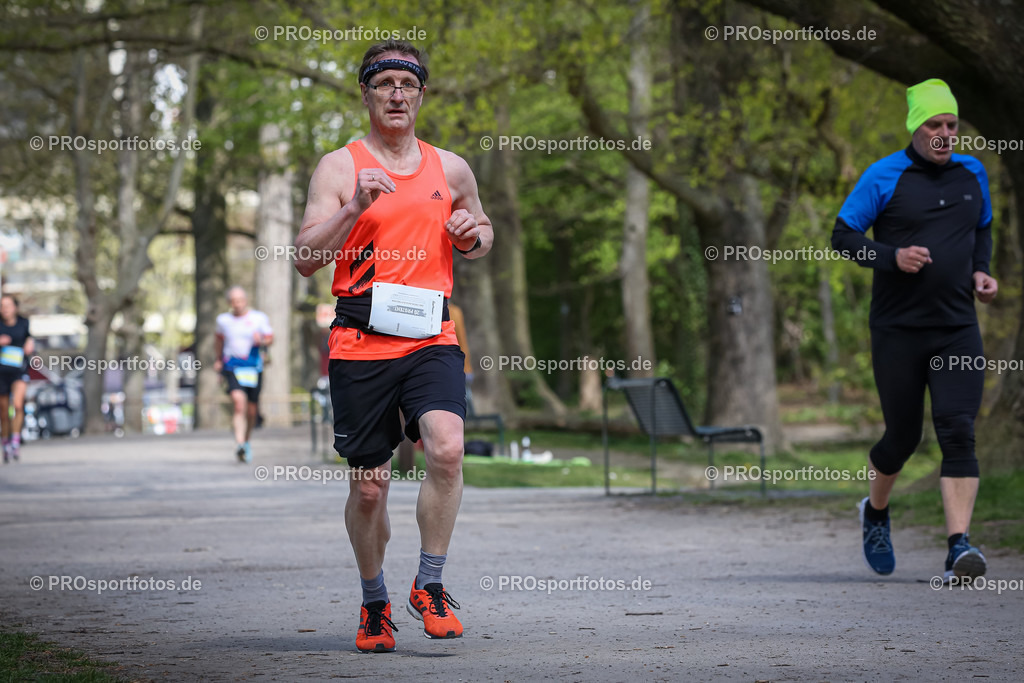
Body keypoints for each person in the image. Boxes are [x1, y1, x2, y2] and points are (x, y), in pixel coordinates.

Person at [294, 40, 493, 653]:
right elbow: (305, 259)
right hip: (361, 341)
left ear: (422, 94)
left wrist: (471, 233)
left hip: (431, 335)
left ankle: (428, 584)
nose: (397, 95)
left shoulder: (451, 168)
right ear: (367, 94)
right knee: (370, 487)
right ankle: (374, 601)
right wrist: (355, 206)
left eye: (408, 85)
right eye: (385, 85)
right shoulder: (339, 167)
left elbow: (482, 233)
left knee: (448, 446)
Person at [831, 79, 997, 583]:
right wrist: (891, 257)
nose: (946, 134)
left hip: (957, 328)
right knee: (902, 436)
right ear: (915, 127)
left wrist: (981, 271)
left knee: (958, 429)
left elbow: (982, 226)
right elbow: (842, 237)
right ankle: (876, 513)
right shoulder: (885, 176)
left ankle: (958, 548)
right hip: (898, 330)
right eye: (935, 125)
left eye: (952, 125)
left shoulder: (974, 172)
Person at [214, 286, 273, 463]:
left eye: (240, 300)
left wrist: (261, 340)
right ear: (229, 303)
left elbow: (270, 338)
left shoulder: (258, 318)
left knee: (252, 410)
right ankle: (239, 443)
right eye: (234, 301)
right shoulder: (223, 320)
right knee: (239, 404)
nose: (237, 304)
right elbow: (218, 340)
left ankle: (246, 441)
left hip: (254, 367)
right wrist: (218, 359)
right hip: (232, 366)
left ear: (245, 300)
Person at [0, 295, 33, 463]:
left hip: (19, 370)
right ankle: (5, 443)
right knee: (4, 412)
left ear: (15, 307)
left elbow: (28, 337)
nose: (5, 308)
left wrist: (29, 343)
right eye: (2, 305)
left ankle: (15, 441)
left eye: (8, 305)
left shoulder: (23, 323)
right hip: (1, 372)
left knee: (18, 405)